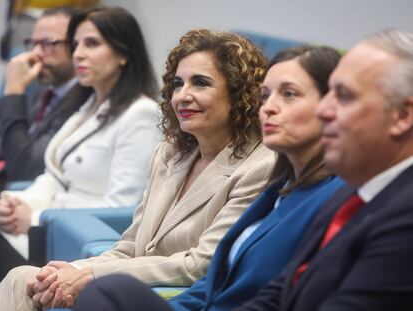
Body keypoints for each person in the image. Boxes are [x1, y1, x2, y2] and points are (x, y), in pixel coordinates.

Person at [0, 28, 276, 310]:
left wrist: (90, 275)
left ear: (240, 93)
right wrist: (66, 274)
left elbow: (201, 264)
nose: (183, 95)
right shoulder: (170, 153)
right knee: (24, 278)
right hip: (128, 282)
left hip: (176, 297)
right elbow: (129, 247)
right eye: (178, 84)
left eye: (201, 83)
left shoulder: (259, 167)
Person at [70, 45, 347, 311]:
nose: (269, 108)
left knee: (105, 291)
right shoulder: (280, 188)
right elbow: (214, 283)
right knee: (74, 287)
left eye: (289, 94)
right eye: (265, 96)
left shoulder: (330, 194)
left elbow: (276, 294)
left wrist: (94, 273)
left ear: (331, 106)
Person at [231, 29, 413, 310]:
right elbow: (279, 294)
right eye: (264, 96)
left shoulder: (405, 213)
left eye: (344, 96)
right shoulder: (349, 196)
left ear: (402, 116)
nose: (323, 111)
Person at [0, 6, 160, 279]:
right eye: (75, 45)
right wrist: (13, 202)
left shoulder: (141, 113)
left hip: (70, 246)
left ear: (123, 53)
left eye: (92, 44)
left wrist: (37, 218)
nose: (78, 54)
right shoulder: (90, 105)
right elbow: (55, 176)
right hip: (41, 230)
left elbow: (124, 209)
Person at [0, 6, 92, 184]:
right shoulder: (45, 93)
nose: (37, 54)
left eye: (49, 43)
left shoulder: (86, 100)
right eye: (34, 43)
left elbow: (24, 168)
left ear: (76, 46)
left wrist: (13, 90)